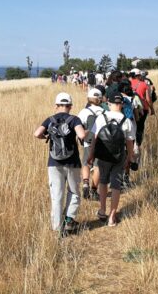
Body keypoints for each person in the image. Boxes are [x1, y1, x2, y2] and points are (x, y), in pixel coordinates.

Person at [34, 92, 86, 234]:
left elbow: (37, 133)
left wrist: (46, 136)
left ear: (56, 106)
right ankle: (69, 220)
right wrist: (86, 133)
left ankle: (57, 228)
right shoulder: (74, 119)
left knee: (57, 195)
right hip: (72, 162)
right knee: (74, 191)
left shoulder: (49, 120)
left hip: (54, 163)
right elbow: (81, 135)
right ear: (70, 106)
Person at [88, 92, 134, 227]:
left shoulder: (101, 118)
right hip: (119, 156)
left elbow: (94, 138)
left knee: (103, 182)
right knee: (116, 185)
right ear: (122, 104)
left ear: (109, 103)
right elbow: (129, 142)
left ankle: (102, 210)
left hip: (103, 155)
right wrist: (130, 157)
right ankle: (112, 217)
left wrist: (91, 154)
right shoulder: (127, 121)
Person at [78, 88, 105, 200]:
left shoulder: (84, 112)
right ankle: (94, 190)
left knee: (86, 163)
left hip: (88, 142)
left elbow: (78, 127)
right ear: (100, 99)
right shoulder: (104, 112)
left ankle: (85, 184)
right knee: (98, 166)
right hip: (102, 142)